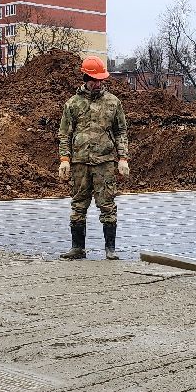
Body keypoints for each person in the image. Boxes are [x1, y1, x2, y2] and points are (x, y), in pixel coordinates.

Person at [57, 55, 129, 260]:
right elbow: (65, 134)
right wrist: (64, 159)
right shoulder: (72, 104)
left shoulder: (113, 103)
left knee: (107, 204)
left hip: (104, 162)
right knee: (78, 203)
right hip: (80, 162)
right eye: (94, 80)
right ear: (85, 78)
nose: (98, 84)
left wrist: (123, 158)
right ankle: (77, 248)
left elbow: (120, 132)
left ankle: (110, 249)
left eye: (101, 80)